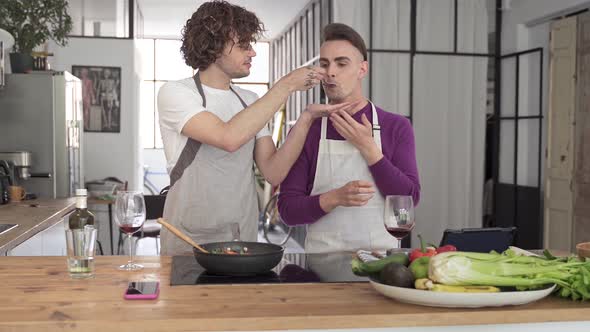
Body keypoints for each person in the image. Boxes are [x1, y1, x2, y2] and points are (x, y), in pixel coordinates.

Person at [157, 1, 354, 255]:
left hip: (242, 237)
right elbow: (228, 137)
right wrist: (286, 86)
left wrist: (306, 118)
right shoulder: (176, 93)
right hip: (188, 242)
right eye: (243, 45)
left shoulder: (249, 100)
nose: (252, 53)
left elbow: (273, 171)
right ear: (214, 45)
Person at [278, 23, 421, 253]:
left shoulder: (396, 126)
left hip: (381, 266)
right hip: (321, 269)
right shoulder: (310, 129)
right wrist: (334, 198)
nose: (331, 72)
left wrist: (369, 149)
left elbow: (408, 199)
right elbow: (287, 210)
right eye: (325, 64)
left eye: (341, 63)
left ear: (362, 69)